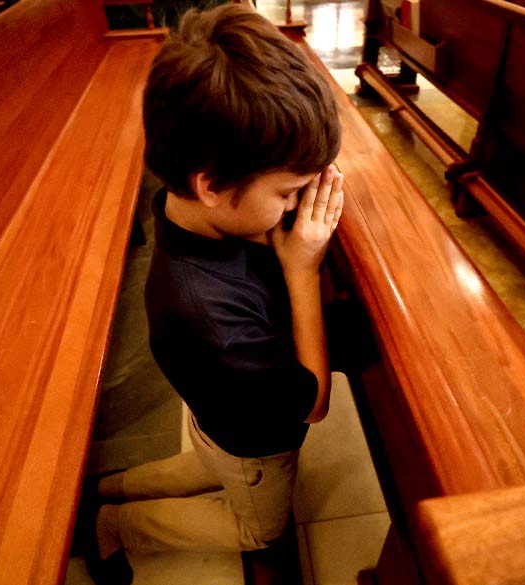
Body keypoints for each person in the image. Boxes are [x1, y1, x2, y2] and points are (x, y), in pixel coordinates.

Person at [78, 4, 343, 583]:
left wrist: (278, 214)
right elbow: (312, 403)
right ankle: (117, 526)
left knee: (207, 460)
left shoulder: (192, 217)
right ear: (214, 185)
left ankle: (107, 488)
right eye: (289, 192)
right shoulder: (209, 316)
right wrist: (301, 269)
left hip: (217, 419)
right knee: (258, 528)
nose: (297, 207)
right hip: (251, 442)